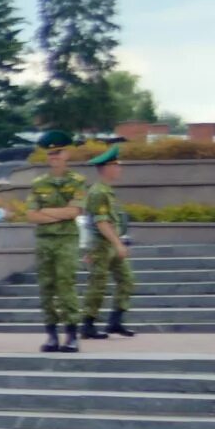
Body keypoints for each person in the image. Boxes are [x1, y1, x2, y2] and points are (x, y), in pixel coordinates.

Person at [22, 132, 89, 354]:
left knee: (66, 285)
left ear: (67, 154)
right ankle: (51, 334)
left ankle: (71, 334)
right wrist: (60, 214)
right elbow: (31, 215)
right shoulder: (38, 183)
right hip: (45, 242)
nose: (54, 157)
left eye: (58, 152)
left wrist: (47, 212)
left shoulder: (78, 182)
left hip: (66, 241)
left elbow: (75, 211)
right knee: (46, 288)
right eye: (51, 153)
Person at [80, 141, 136, 338]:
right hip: (102, 245)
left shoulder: (107, 191)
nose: (119, 168)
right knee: (98, 284)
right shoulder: (98, 192)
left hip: (110, 244)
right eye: (116, 165)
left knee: (127, 280)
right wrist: (118, 244)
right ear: (106, 168)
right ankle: (88, 323)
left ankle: (115, 321)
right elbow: (101, 223)